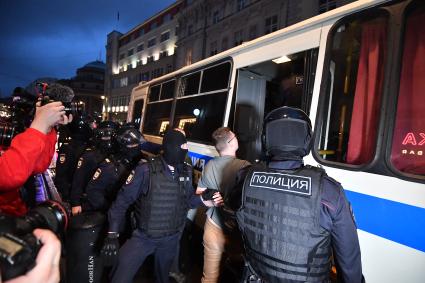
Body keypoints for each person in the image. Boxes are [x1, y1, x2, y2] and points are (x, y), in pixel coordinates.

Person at [232, 106, 363, 283]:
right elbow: (349, 262)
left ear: (266, 139)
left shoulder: (245, 178)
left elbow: (235, 217)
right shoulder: (328, 191)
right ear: (307, 141)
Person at [101, 129, 223, 283]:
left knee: (163, 278)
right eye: (182, 147)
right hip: (144, 237)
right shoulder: (145, 171)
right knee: (120, 275)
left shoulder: (185, 171)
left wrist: (205, 199)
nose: (185, 151)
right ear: (171, 147)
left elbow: (187, 201)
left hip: (170, 239)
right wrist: (112, 234)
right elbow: (121, 202)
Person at [196, 127, 250, 283]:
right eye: (235, 137)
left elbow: (199, 193)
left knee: (209, 277)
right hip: (236, 231)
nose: (237, 138)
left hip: (213, 226)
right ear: (231, 143)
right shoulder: (245, 166)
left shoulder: (209, 165)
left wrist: (213, 199)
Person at [0, 101, 72, 216]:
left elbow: (38, 165)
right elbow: (8, 177)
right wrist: (39, 126)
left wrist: (47, 127)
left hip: (15, 216)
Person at [70, 121, 118, 215]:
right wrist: (75, 203)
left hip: (108, 201)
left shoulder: (116, 155)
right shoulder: (89, 156)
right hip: (91, 202)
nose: (107, 139)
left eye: (110, 136)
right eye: (105, 136)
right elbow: (78, 180)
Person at [54, 113, 94, 201]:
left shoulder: (89, 145)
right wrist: (67, 196)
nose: (93, 127)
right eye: (90, 125)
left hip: (83, 193)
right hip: (72, 194)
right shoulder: (68, 147)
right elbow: (61, 175)